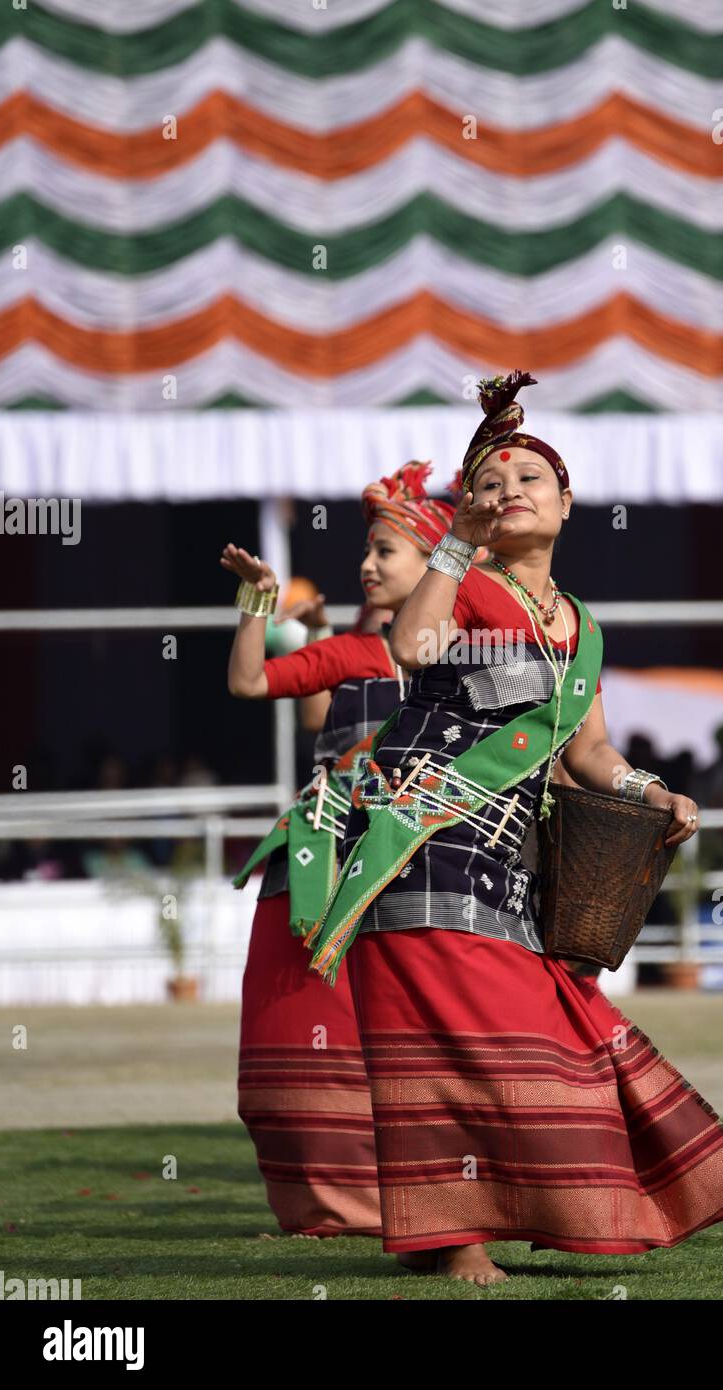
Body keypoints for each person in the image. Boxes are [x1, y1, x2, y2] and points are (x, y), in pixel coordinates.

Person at [306, 372, 723, 1284]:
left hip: (509, 869)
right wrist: (452, 553)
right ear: (464, 512)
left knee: (557, 1031)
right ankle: (456, 1240)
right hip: (422, 848)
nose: (506, 491)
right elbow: (410, 649)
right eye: (486, 483)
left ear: (567, 503)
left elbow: (589, 751)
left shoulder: (582, 628)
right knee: (461, 1050)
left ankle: (505, 1220)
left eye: (527, 479)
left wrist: (649, 791)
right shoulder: (466, 590)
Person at [222, 462, 466, 1237]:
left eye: (385, 551)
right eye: (367, 550)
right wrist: (260, 605)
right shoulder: (353, 656)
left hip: (425, 867)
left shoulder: (476, 661)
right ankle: (326, 1206)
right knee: (295, 1029)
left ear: (434, 566)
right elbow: (251, 685)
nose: (366, 564)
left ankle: (445, 1198)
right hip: (322, 861)